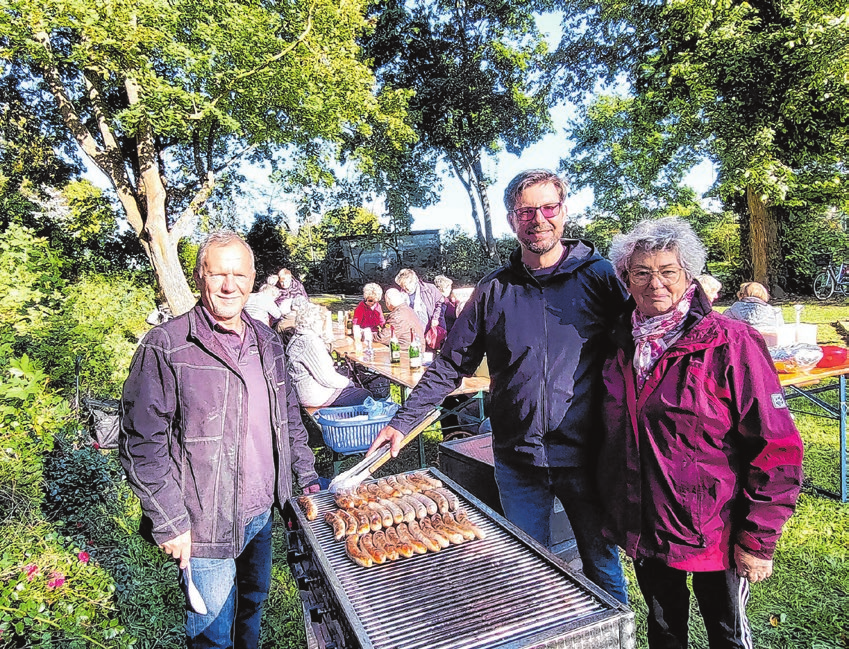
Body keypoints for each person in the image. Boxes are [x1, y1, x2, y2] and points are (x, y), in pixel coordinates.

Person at [369, 169, 630, 604]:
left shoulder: (600, 278)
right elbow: (451, 363)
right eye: (527, 210)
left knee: (601, 566)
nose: (539, 219)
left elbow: (643, 343)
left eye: (549, 208)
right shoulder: (494, 289)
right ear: (512, 219)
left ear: (564, 212)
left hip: (587, 456)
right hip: (517, 459)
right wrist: (404, 420)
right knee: (528, 571)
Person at [600, 217, 803, 648]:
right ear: (626, 280)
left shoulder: (732, 342)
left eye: (668, 271)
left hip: (718, 528)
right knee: (665, 630)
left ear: (688, 276)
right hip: (649, 524)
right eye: (642, 272)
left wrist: (759, 539)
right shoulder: (618, 342)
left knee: (727, 634)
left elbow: (777, 445)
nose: (655, 283)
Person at [119, 232, 320, 649]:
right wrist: (169, 519)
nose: (230, 286)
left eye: (239, 274)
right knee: (212, 632)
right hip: (203, 521)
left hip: (262, 512)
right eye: (219, 274)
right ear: (200, 277)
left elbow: (288, 419)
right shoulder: (167, 346)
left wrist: (306, 477)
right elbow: (142, 442)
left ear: (252, 279)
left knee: (252, 605)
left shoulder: (267, 341)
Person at [286, 303, 372, 408]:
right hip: (313, 395)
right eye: (324, 321)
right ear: (316, 322)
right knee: (365, 395)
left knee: (353, 385)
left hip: (301, 390)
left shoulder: (299, 337)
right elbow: (327, 378)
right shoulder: (310, 341)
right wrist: (349, 383)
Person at [395, 268, 444, 334]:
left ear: (414, 281)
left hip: (430, 328)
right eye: (402, 286)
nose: (404, 288)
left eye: (405, 285)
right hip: (411, 329)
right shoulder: (401, 295)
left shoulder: (430, 289)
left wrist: (436, 318)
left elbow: (441, 304)